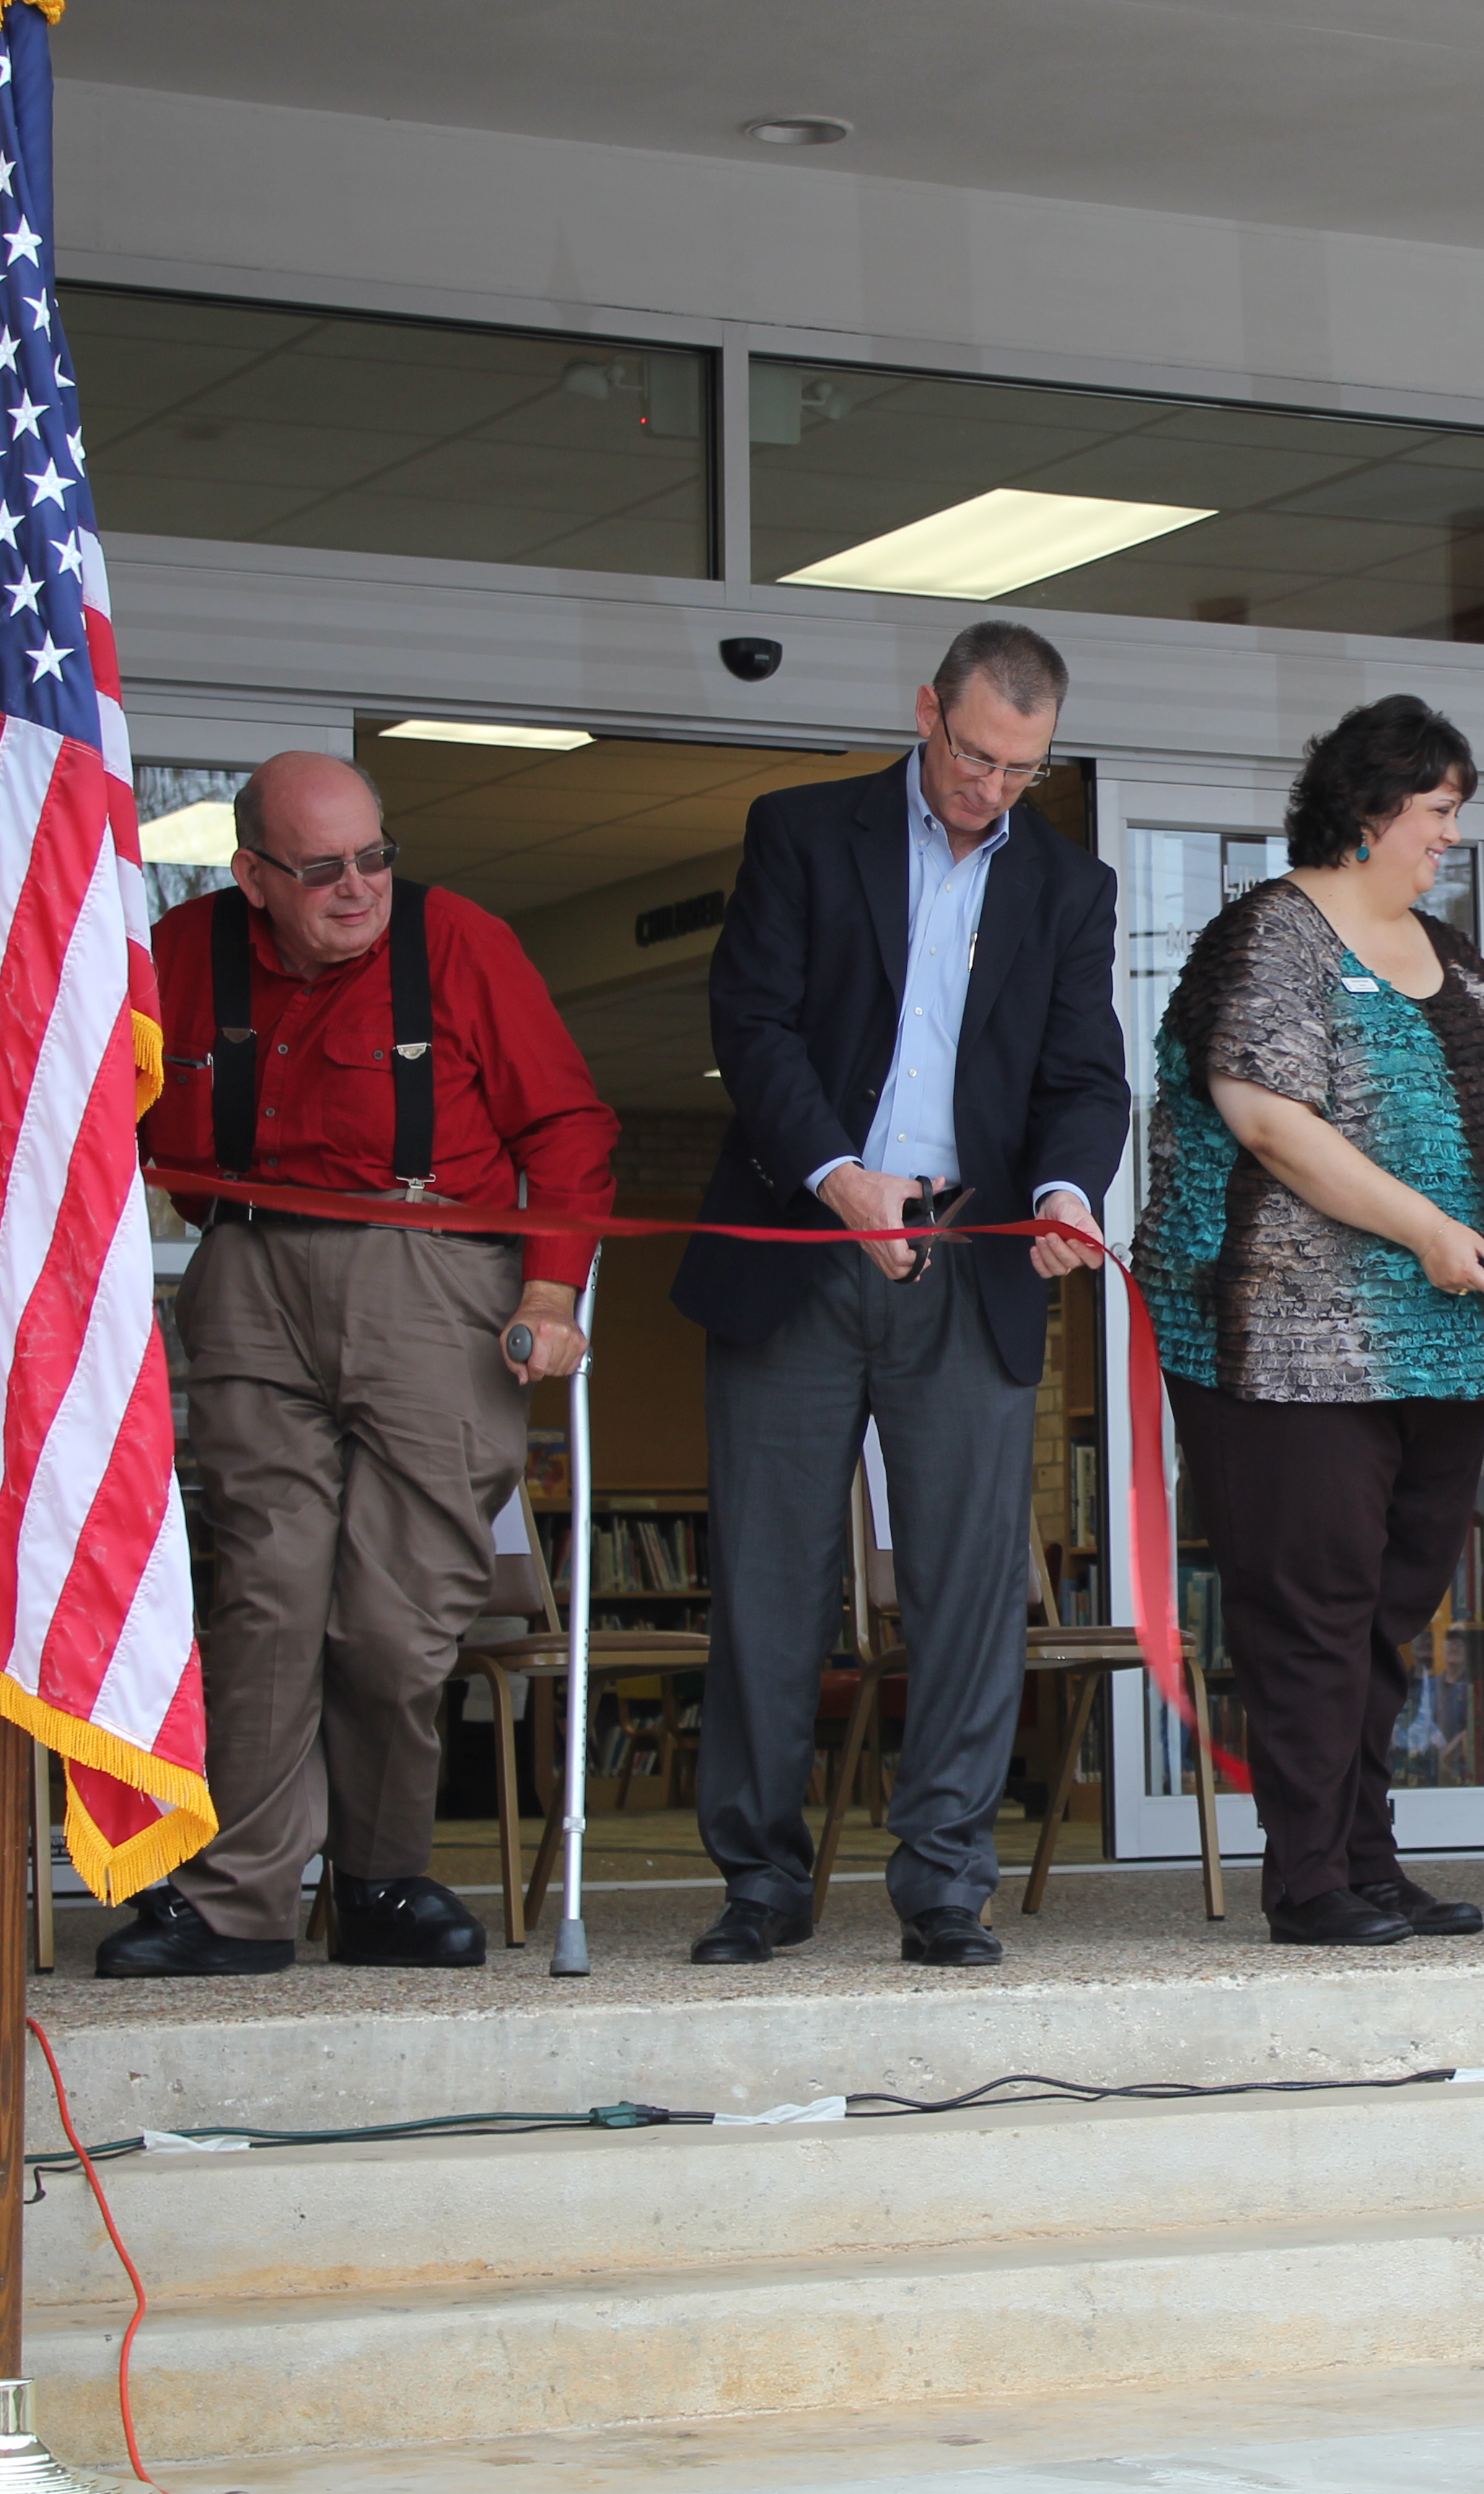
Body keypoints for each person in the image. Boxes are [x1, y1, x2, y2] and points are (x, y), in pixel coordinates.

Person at [102, 752, 618, 1978]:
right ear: (252, 875)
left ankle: (381, 1880)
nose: (357, 889)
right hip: (246, 1274)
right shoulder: (184, 953)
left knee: (394, 1618)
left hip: (433, 1281)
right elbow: (95, 1107)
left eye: (373, 859)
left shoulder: (457, 943)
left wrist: (550, 1288)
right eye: (321, 869)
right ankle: (238, 1901)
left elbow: (568, 1126)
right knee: (267, 1595)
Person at [675, 622, 1128, 1970]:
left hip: (971, 1254)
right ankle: (759, 1878)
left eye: (1023, 771)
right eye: (976, 756)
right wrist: (832, 1173)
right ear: (925, 710)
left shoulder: (1067, 886)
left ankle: (944, 1877)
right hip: (802, 1243)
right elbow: (748, 1023)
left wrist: (1064, 1193)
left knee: (970, 1584)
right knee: (771, 1575)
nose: (992, 790)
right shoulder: (802, 833)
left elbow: (1083, 1077)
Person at [1136, 695, 1484, 1947]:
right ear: (1369, 810)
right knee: (1310, 1603)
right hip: (1284, 1329)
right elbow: (1265, 1118)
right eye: (1436, 813)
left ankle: (1367, 1861)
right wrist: (1429, 1230)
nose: (1449, 839)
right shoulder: (1269, 933)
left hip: (1442, 1342)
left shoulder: (1450, 948)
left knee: (1387, 1607)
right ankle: (1308, 1876)